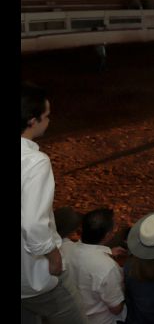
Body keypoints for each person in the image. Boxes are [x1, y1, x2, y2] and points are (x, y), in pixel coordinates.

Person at [21, 82, 87, 324]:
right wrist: (53, 256)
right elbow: (32, 224)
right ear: (31, 120)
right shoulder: (35, 162)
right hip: (36, 276)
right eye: (46, 116)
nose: (49, 121)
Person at [69, 208, 126, 324]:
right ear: (107, 236)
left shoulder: (66, 248)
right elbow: (116, 309)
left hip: (73, 314)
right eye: (114, 228)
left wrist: (107, 251)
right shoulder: (108, 268)